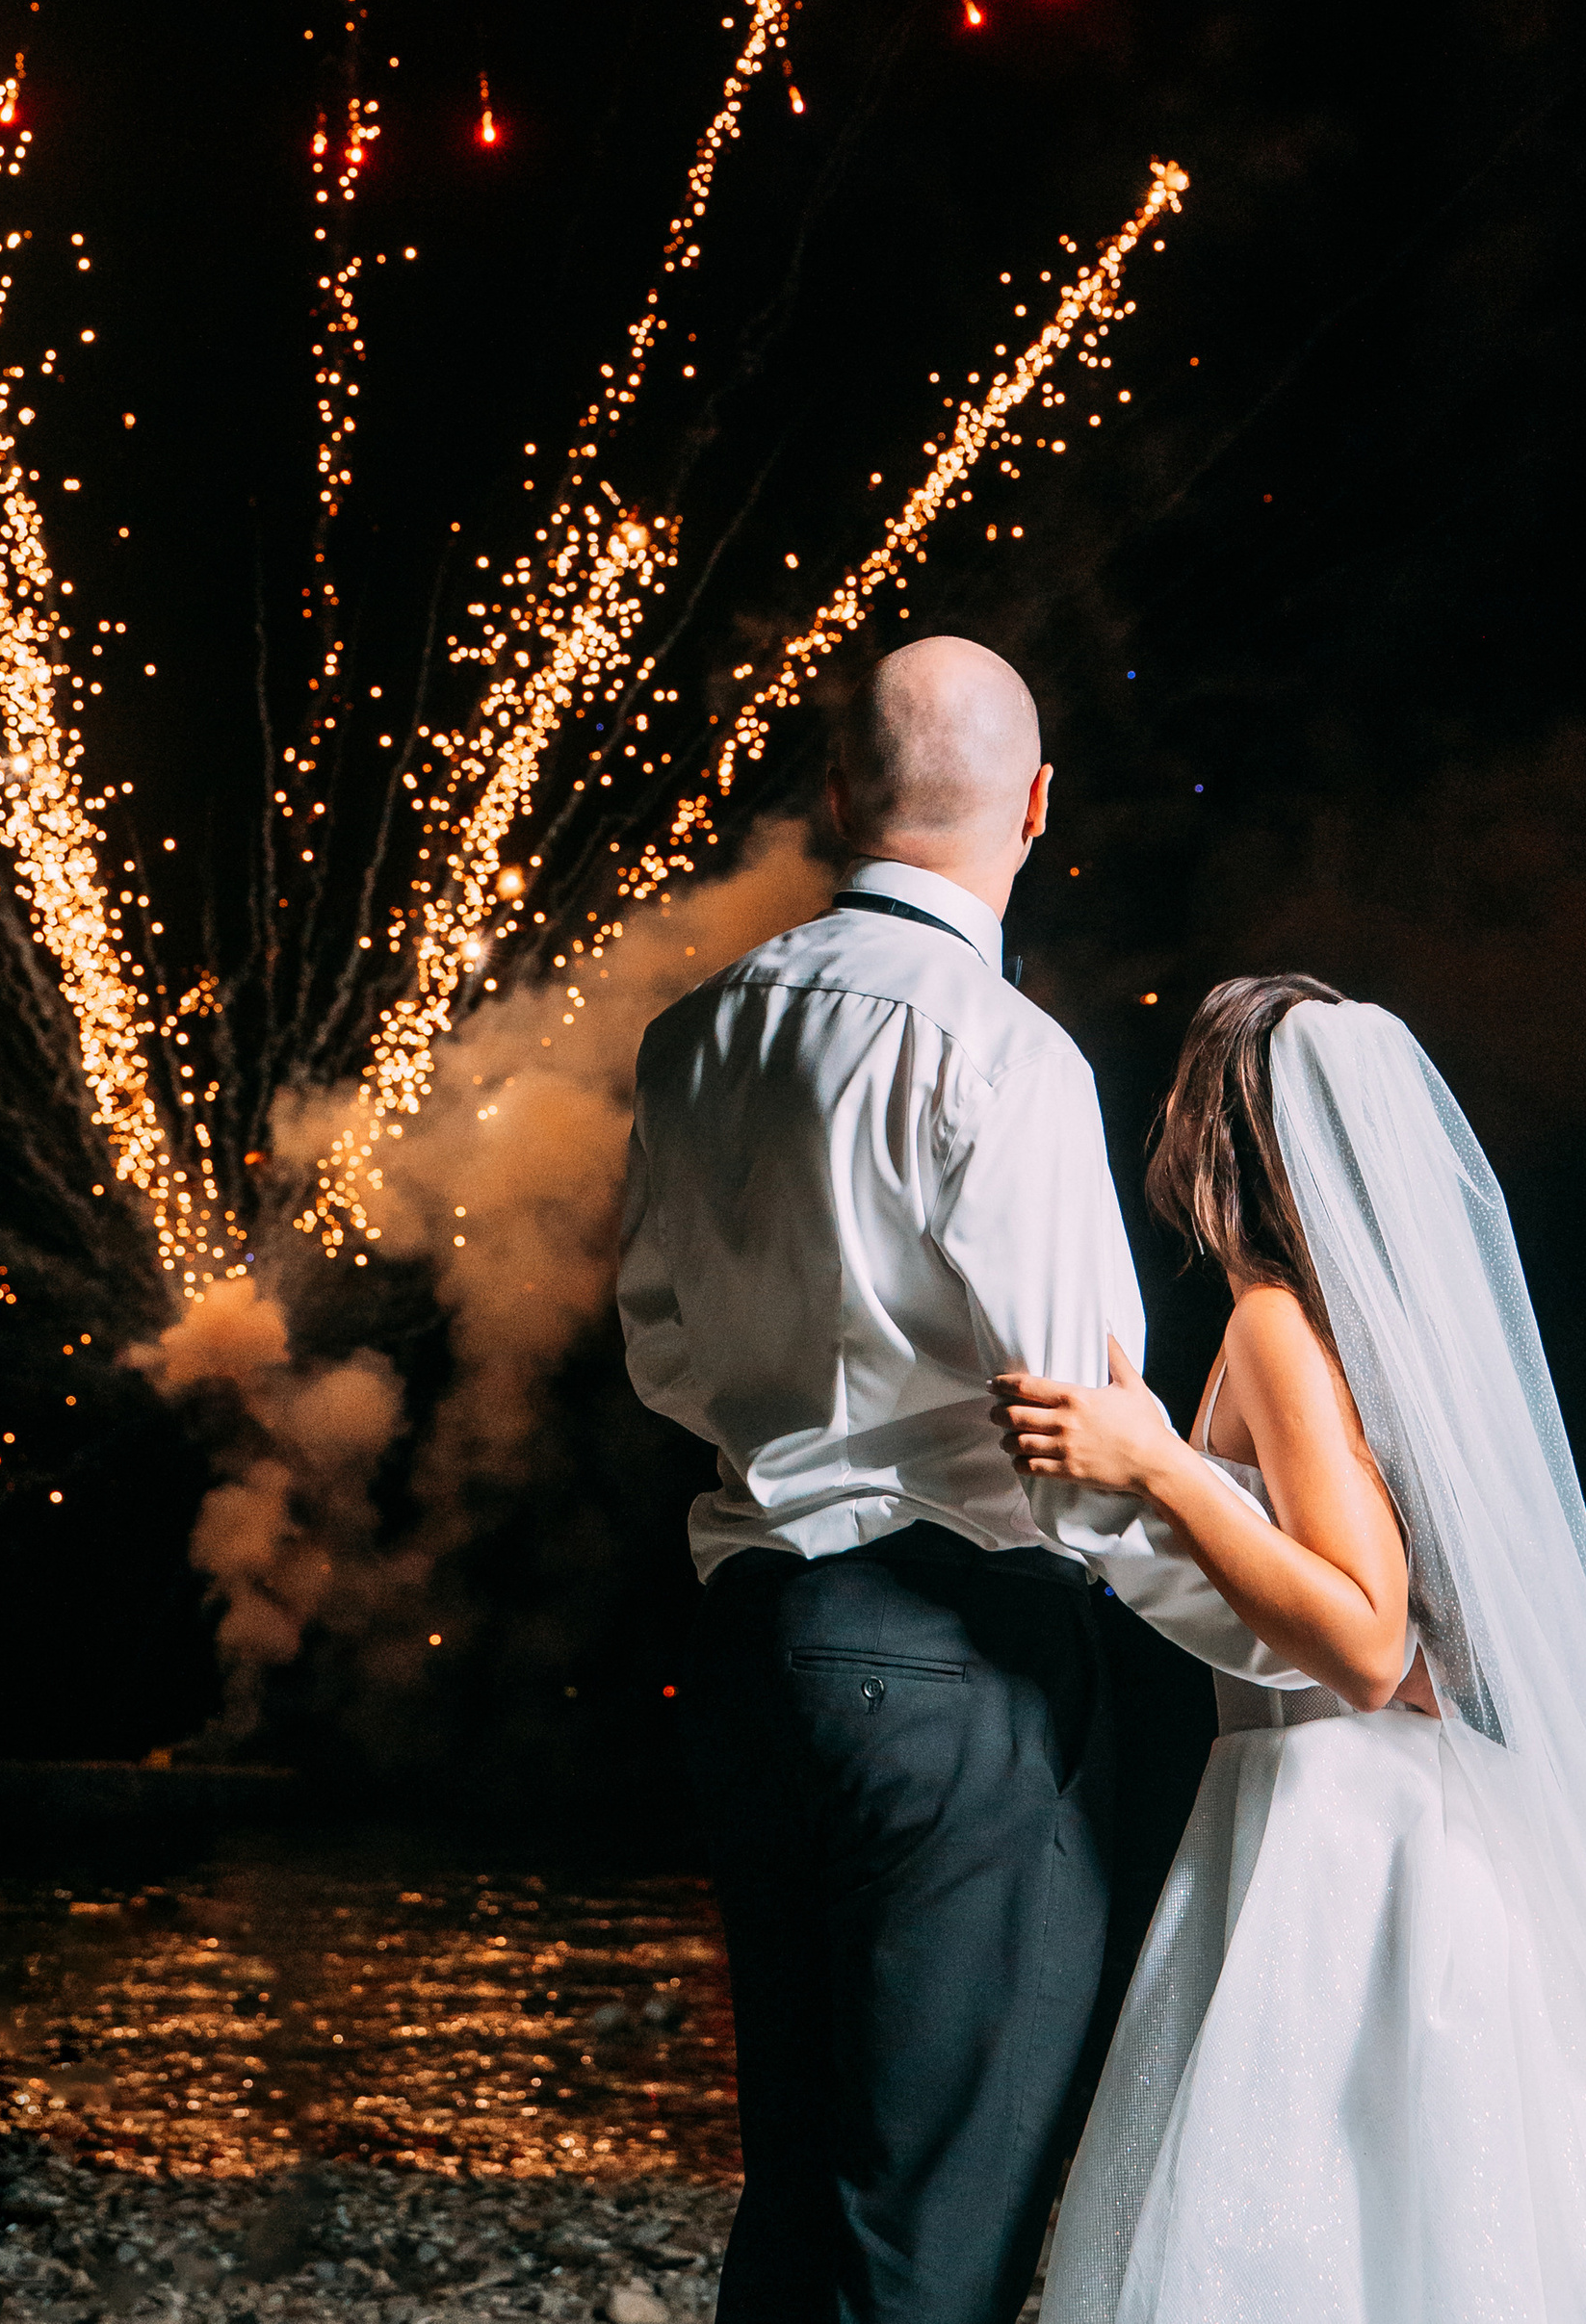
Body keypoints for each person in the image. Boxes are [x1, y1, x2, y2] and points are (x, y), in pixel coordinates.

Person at [621, 639, 1282, 2324]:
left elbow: (664, 1355)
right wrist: (1301, 1634)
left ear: (837, 795)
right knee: (937, 2229)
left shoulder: (699, 1034)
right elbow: (1085, 1442)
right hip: (956, 1668)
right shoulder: (1005, 1053)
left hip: (761, 1643)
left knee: (800, 2199)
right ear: (1039, 805)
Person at [1001, 976, 1586, 2324]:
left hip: (1332, 1827)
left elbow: (1365, 1644)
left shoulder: (1273, 1324)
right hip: (1397, 1815)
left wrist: (1160, 1469)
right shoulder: (1369, 1338)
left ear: (1219, 1135)